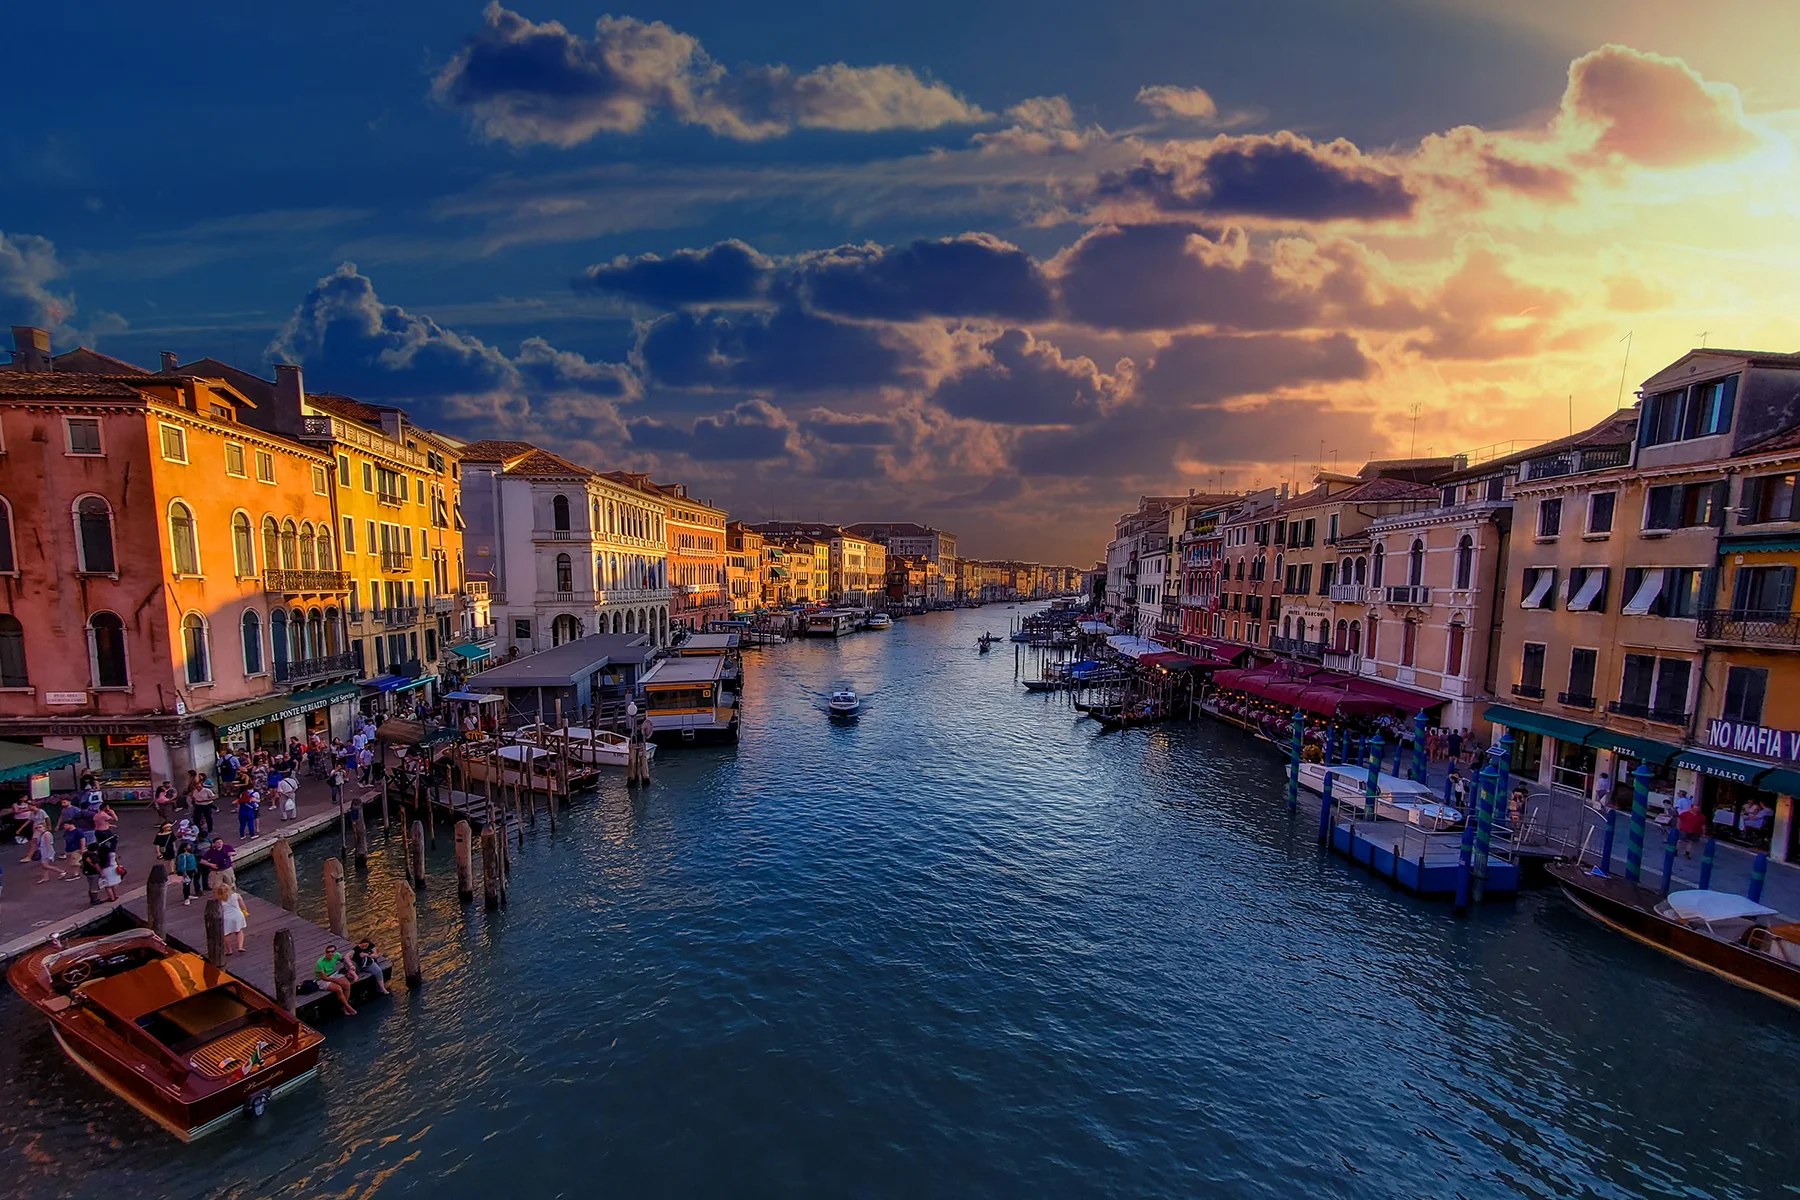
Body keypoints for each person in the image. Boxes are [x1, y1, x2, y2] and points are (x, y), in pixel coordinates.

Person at [314, 945, 358, 1016]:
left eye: (332, 951)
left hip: (333, 974)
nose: (330, 953)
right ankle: (348, 1007)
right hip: (322, 979)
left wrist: (350, 966)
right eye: (328, 952)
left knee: (347, 985)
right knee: (338, 989)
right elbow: (324, 977)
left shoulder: (337, 955)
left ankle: (344, 1007)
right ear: (325, 952)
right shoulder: (320, 963)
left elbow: (344, 960)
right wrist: (336, 980)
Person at [215, 882, 249, 954]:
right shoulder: (236, 895)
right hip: (237, 915)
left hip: (226, 917)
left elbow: (218, 910)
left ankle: (229, 950)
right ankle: (240, 947)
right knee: (239, 931)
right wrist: (245, 911)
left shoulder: (219, 900)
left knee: (226, 934)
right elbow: (242, 905)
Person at [175, 839, 201, 904]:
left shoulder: (191, 854)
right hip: (186, 871)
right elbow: (182, 864)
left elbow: (194, 862)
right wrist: (184, 872)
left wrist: (195, 868)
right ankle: (186, 898)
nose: (190, 847)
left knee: (189, 883)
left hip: (192, 870)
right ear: (185, 848)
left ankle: (188, 895)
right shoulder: (182, 856)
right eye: (188, 846)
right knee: (186, 884)